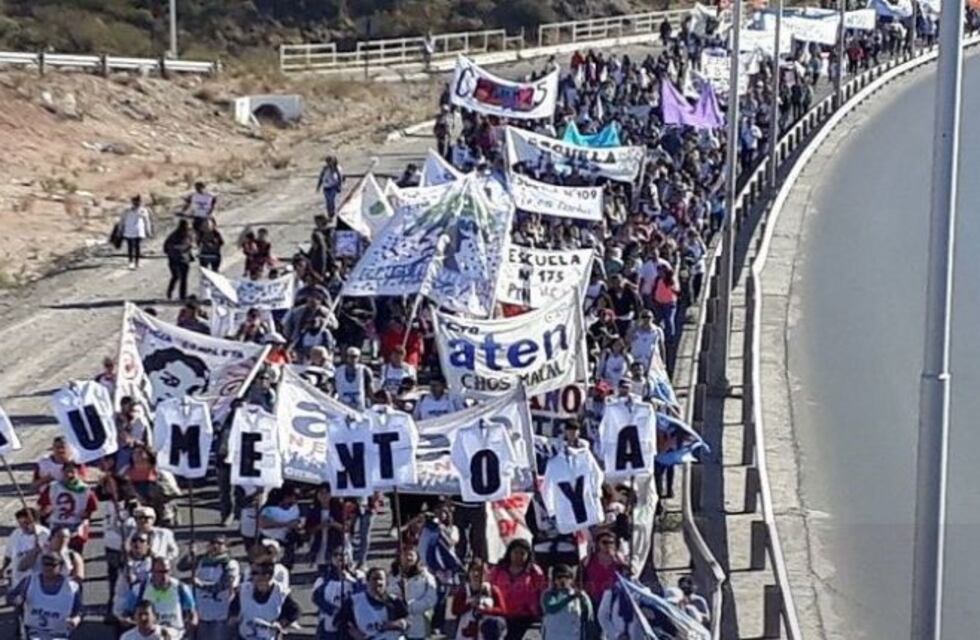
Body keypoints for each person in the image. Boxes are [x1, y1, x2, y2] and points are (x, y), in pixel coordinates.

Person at [7, 551, 83, 639]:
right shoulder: (29, 581)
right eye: (45, 564)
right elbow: (11, 597)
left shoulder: (72, 588)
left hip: (59, 634)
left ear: (61, 566)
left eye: (52, 564)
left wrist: (75, 620)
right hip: (32, 632)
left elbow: (79, 612)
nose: (48, 567)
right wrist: (16, 600)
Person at [179, 536, 240, 640]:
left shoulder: (230, 564)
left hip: (220, 615)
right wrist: (190, 554)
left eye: (220, 543)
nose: (215, 546)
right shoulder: (201, 560)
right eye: (212, 543)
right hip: (201, 613)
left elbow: (223, 586)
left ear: (226, 547)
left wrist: (201, 584)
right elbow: (181, 567)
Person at [124, 556, 197, 639]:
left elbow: (192, 613)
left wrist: (190, 626)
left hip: (175, 635)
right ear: (152, 571)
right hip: (149, 635)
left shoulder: (181, 588)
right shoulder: (140, 589)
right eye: (160, 572)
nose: (164, 575)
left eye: (167, 571)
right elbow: (126, 612)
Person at [489, 539, 546, 640]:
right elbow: (488, 588)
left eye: (522, 553)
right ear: (509, 552)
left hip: (524, 617)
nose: (518, 556)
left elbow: (541, 591)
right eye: (515, 552)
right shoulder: (498, 569)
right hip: (499, 614)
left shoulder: (534, 572)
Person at [230, 560, 300, 640]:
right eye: (253, 573)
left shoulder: (280, 592)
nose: (254, 577)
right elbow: (233, 608)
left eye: (256, 573)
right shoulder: (244, 589)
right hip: (245, 636)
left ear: (269, 575)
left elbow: (294, 611)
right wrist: (234, 617)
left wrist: (281, 623)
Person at [37, 461, 97, 552]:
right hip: (56, 525)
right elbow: (44, 507)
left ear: (78, 473)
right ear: (62, 472)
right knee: (55, 555)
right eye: (67, 471)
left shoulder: (85, 490)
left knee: (74, 555)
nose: (69, 475)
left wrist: (85, 516)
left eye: (73, 472)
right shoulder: (53, 487)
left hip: (75, 526)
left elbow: (89, 510)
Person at [387, 548, 438, 640]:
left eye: (411, 555)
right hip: (396, 626)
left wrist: (410, 607)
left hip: (418, 625)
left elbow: (431, 598)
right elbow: (386, 594)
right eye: (405, 555)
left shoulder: (426, 577)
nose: (408, 558)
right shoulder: (391, 576)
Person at [345, 567, 409, 639]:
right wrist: (355, 634)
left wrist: (397, 624)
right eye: (374, 579)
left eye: (381, 579)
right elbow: (343, 623)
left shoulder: (394, 601)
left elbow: (408, 621)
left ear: (386, 582)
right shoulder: (354, 601)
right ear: (367, 581)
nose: (378, 582)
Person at [312, 547, 361, 640]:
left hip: (354, 622)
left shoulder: (358, 576)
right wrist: (334, 611)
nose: (339, 557)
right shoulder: (323, 578)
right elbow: (317, 598)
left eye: (343, 554)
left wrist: (350, 580)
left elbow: (365, 593)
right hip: (330, 622)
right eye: (336, 555)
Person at [451, 559, 507, 640]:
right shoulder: (462, 590)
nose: (476, 574)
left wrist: (487, 610)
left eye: (480, 571)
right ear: (469, 572)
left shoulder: (493, 590)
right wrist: (470, 605)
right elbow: (454, 611)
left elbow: (503, 610)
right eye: (474, 570)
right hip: (467, 631)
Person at [540, 564, 594, 640]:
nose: (563, 580)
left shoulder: (579, 594)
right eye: (559, 577)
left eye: (567, 577)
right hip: (552, 636)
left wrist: (583, 600)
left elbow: (588, 616)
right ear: (554, 580)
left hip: (573, 636)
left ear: (572, 579)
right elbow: (551, 608)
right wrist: (570, 598)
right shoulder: (549, 594)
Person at [3, 508, 51, 590]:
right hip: (18, 581)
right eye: (20, 523)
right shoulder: (16, 533)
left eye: (26, 523)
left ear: (35, 521)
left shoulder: (46, 535)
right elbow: (8, 554)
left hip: (38, 583)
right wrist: (3, 569)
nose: (23, 527)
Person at [257, 486, 303, 568]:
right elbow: (263, 524)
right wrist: (285, 524)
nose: (294, 501)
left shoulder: (294, 508)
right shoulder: (269, 509)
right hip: (269, 542)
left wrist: (297, 526)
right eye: (291, 498)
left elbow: (297, 521)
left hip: (287, 543)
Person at [581, 530, 627, 606]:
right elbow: (583, 569)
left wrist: (619, 559)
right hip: (594, 597)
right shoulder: (591, 558)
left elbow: (628, 573)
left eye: (611, 542)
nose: (608, 545)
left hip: (613, 598)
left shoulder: (618, 559)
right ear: (598, 544)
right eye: (604, 542)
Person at [163, 220, 196, 301]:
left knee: (180, 277)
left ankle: (179, 295)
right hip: (178, 260)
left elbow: (190, 246)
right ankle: (174, 294)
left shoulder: (188, 235)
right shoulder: (177, 236)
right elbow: (167, 247)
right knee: (178, 277)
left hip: (180, 259)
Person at [120, 195, 153, 269]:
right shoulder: (127, 210)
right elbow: (122, 220)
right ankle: (131, 262)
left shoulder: (143, 210)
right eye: (135, 201)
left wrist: (148, 231)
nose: (137, 203)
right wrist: (121, 229)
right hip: (129, 230)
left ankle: (137, 262)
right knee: (130, 247)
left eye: (138, 202)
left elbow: (147, 221)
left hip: (139, 231)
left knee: (137, 247)